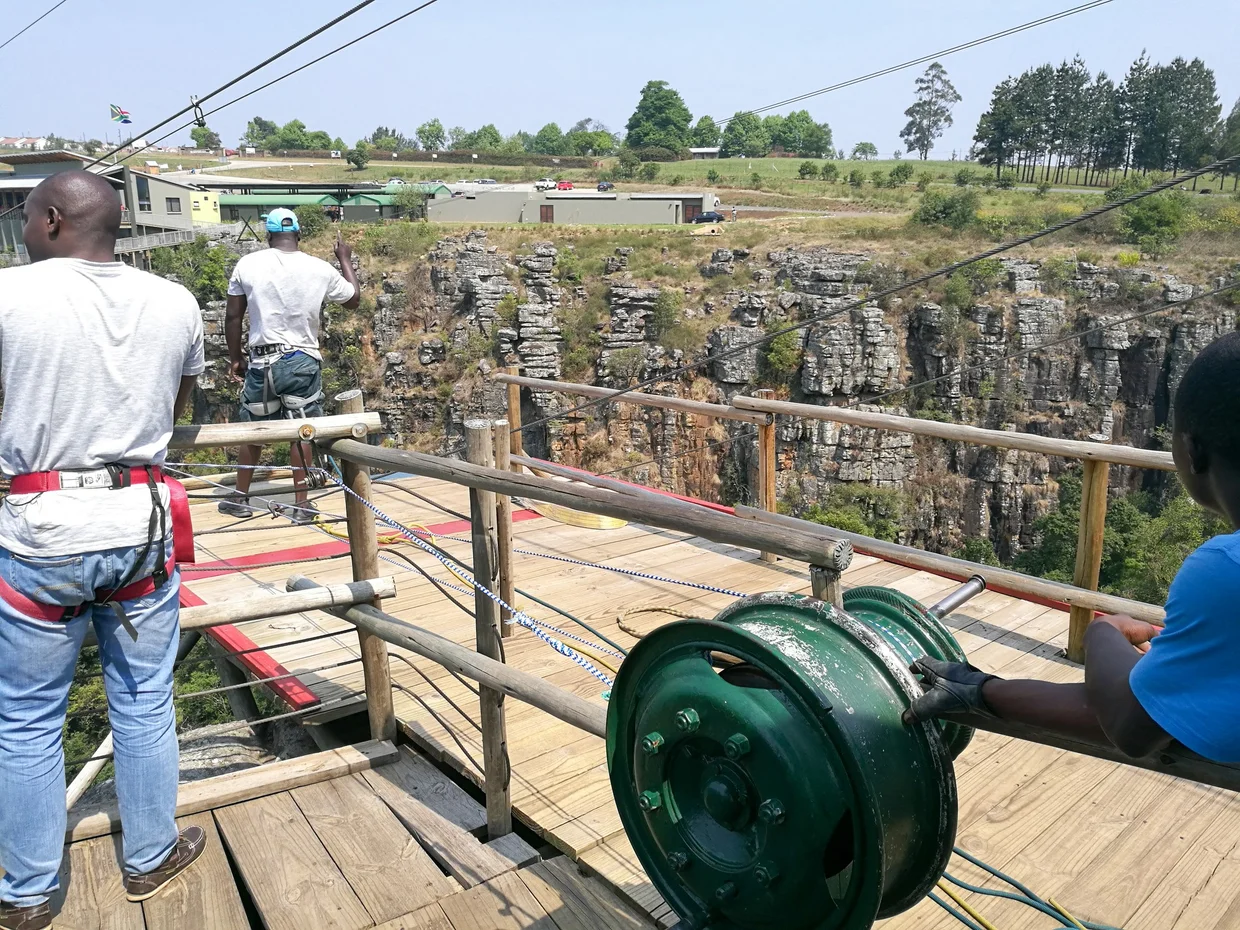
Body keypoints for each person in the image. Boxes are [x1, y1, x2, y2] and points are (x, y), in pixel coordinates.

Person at [0, 171, 207, 929]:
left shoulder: (8, 294)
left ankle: (27, 892)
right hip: (141, 525)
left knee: (25, 719)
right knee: (146, 700)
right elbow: (179, 405)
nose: (22, 227)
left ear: (52, 219)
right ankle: (149, 856)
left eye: (25, 215)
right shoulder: (174, 301)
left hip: (43, 528)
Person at [909, 331, 1240, 765]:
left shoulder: (1224, 572)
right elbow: (1166, 715)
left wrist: (1103, 632)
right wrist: (980, 689)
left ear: (1192, 450)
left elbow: (1133, 727)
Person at [218, 208, 360, 523]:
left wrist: (236, 359)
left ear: (268, 235)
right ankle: (301, 503)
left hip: (262, 361)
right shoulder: (319, 268)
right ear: (298, 234)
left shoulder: (248, 264)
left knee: (253, 432)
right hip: (302, 360)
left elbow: (233, 316)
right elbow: (353, 299)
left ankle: (240, 498)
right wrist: (344, 257)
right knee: (301, 431)